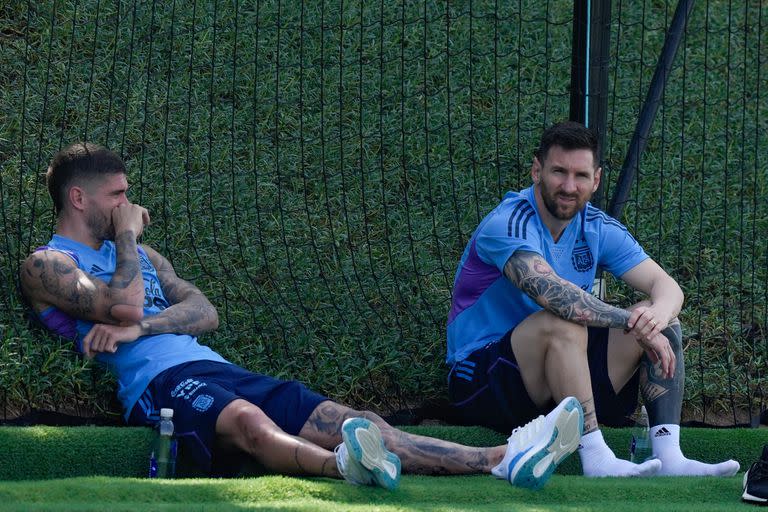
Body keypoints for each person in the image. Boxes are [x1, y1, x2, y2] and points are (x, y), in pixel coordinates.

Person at [20, 142, 585, 490]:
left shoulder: (146, 255)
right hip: (157, 383)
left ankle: (499, 458)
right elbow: (119, 302)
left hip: (211, 363)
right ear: (78, 199)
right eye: (117, 195)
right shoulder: (48, 263)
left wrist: (143, 324)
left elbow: (203, 312)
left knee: (354, 420)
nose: (129, 204)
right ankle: (345, 468)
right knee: (246, 425)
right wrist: (124, 239)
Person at [446, 121, 740, 478]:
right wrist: (630, 321)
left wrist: (655, 317)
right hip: (481, 381)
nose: (570, 186)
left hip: (560, 384)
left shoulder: (596, 226)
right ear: (537, 170)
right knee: (562, 322)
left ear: (596, 179)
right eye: (559, 172)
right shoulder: (509, 222)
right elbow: (553, 295)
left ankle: (670, 456)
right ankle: (596, 456)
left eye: (581, 175)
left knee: (659, 316)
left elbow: (668, 287)